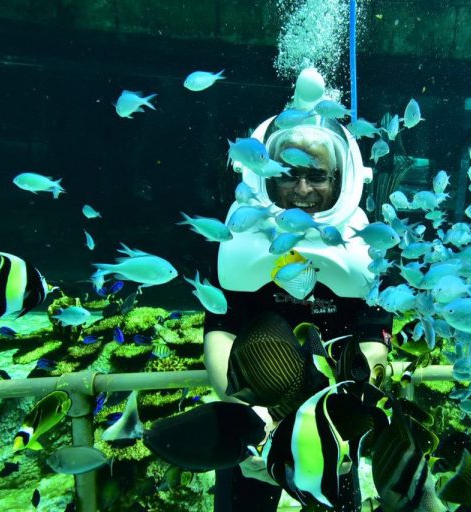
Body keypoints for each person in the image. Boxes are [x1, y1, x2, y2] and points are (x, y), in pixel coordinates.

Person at [145, 68, 393, 512]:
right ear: (265, 174)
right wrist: (249, 416)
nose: (302, 189)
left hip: (333, 421)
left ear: (342, 178)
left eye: (317, 176)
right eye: (288, 174)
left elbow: (374, 339)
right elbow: (220, 331)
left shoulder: (365, 247)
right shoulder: (241, 238)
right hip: (254, 411)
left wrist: (335, 412)